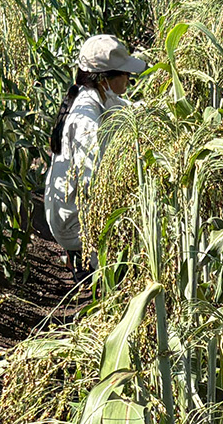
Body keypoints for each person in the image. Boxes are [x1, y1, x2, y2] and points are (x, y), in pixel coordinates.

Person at [43, 35, 147, 274]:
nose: (130, 78)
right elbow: (94, 187)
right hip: (73, 222)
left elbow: (126, 110)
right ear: (104, 78)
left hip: (73, 208)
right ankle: (95, 266)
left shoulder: (97, 94)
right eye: (125, 73)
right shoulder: (86, 119)